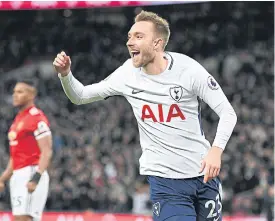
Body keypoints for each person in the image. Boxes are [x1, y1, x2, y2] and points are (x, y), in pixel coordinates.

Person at [53, 10, 237, 221]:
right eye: (129, 36)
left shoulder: (189, 70)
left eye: (139, 36)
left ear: (157, 43)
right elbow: (81, 96)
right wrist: (65, 75)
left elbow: (228, 113)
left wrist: (216, 150)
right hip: (166, 183)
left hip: (204, 176)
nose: (130, 42)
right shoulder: (127, 74)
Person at [0, 80, 52, 221]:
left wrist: (36, 177)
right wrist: (3, 179)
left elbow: (46, 151)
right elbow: (14, 157)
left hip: (31, 172)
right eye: (14, 92)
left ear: (31, 95)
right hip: (17, 175)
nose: (15, 95)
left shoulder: (37, 118)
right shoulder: (18, 120)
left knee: (23, 219)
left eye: (20, 92)